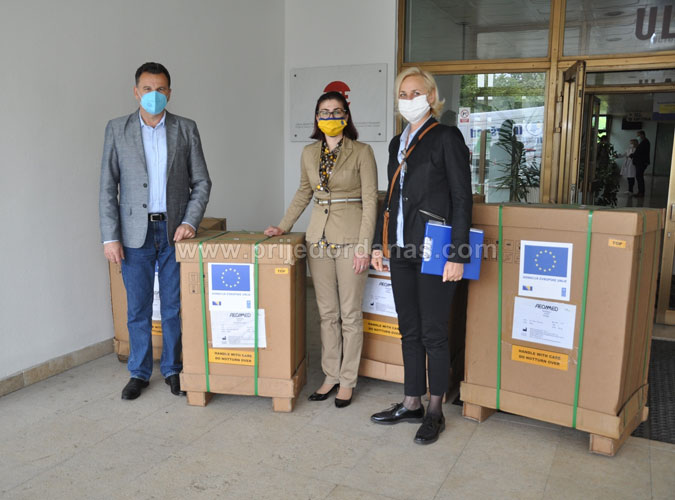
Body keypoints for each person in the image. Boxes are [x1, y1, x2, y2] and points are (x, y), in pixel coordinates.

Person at [369, 67, 472, 445]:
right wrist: (379, 244)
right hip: (400, 249)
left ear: (431, 96)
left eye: (416, 93)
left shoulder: (446, 137)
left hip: (435, 250)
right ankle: (411, 401)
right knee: (408, 328)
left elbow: (462, 196)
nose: (408, 99)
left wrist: (458, 253)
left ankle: (434, 411)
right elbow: (390, 198)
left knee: (433, 332)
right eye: (403, 93)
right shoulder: (397, 142)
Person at [100, 62, 211, 400]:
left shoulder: (186, 129)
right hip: (135, 233)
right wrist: (110, 237)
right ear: (136, 92)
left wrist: (190, 222)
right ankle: (139, 372)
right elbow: (108, 187)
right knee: (138, 307)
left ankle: (173, 369)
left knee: (173, 306)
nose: (154, 95)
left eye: (160, 89)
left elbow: (201, 182)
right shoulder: (117, 129)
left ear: (169, 93)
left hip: (174, 231)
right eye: (147, 89)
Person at [265, 91, 377, 408]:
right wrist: (283, 226)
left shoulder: (362, 152)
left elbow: (370, 201)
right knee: (327, 313)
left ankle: (348, 380)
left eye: (336, 111)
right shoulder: (308, 152)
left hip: (351, 238)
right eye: (324, 112)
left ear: (346, 116)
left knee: (350, 314)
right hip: (318, 239)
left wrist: (364, 247)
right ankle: (330, 375)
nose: (330, 117)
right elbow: (304, 192)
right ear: (316, 117)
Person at [631, 130, 651, 197]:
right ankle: (640, 191)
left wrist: (632, 155)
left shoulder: (645, 142)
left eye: (638, 135)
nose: (637, 137)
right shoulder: (643, 142)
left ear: (642, 135)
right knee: (639, 177)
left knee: (639, 177)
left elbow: (640, 153)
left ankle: (641, 192)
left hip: (641, 163)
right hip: (640, 162)